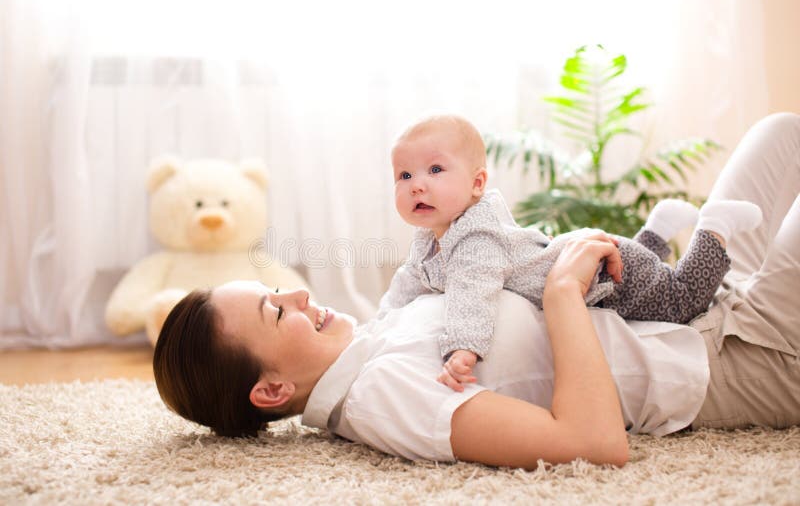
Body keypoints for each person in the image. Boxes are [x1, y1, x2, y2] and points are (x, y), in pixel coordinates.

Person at [152, 112, 800, 469]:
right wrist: (562, 295)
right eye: (275, 311)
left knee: (781, 132)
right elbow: (592, 444)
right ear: (270, 391)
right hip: (738, 356)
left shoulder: (380, 332)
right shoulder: (386, 399)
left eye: (278, 291)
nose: (296, 297)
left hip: (700, 302)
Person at [380, 115, 762, 391]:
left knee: (683, 301)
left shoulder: (476, 238)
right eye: (405, 176)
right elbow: (407, 282)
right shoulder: (431, 238)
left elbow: (473, 292)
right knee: (650, 283)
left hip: (604, 276)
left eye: (434, 169)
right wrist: (380, 323)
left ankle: (714, 226)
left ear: (477, 183)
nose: (417, 186)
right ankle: (657, 230)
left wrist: (463, 349)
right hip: (596, 259)